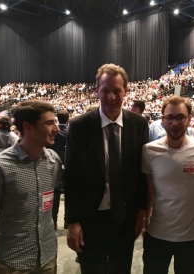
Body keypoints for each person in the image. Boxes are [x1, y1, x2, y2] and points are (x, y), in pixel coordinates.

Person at [65, 63, 149, 273]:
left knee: (121, 269)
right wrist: (72, 221)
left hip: (125, 217)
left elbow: (141, 173)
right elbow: (72, 176)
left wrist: (141, 211)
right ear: (97, 91)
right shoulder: (80, 126)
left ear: (126, 91)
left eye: (116, 91)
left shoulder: (139, 124)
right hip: (90, 219)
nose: (111, 97)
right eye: (105, 91)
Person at [0, 100, 63, 274]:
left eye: (55, 122)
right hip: (12, 263)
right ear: (28, 127)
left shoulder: (53, 160)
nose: (56, 129)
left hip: (47, 259)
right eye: (49, 123)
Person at [142, 96, 194, 274]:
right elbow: (149, 188)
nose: (175, 123)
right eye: (169, 118)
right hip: (157, 233)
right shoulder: (149, 150)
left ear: (189, 119)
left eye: (180, 117)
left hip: (192, 236)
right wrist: (144, 219)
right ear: (162, 120)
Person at [49, 110, 69, 230]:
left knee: (55, 192)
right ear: (67, 119)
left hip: (53, 163)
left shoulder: (54, 132)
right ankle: (67, 220)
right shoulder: (71, 131)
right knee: (69, 194)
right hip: (68, 164)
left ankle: (54, 221)